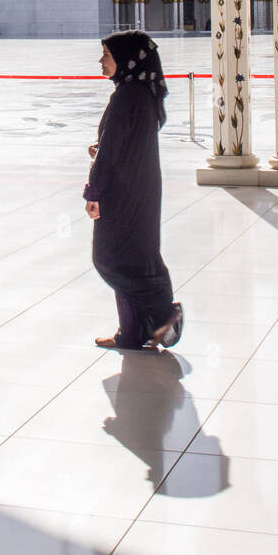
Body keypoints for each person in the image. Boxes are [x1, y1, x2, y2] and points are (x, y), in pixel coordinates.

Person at [83, 31, 183, 351]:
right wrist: (100, 147)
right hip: (142, 187)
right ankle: (133, 333)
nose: (101, 61)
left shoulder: (126, 96)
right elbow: (128, 139)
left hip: (121, 190)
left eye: (107, 56)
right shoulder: (143, 93)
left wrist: (93, 191)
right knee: (136, 256)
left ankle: (164, 311)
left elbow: (112, 150)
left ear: (126, 59)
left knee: (109, 258)